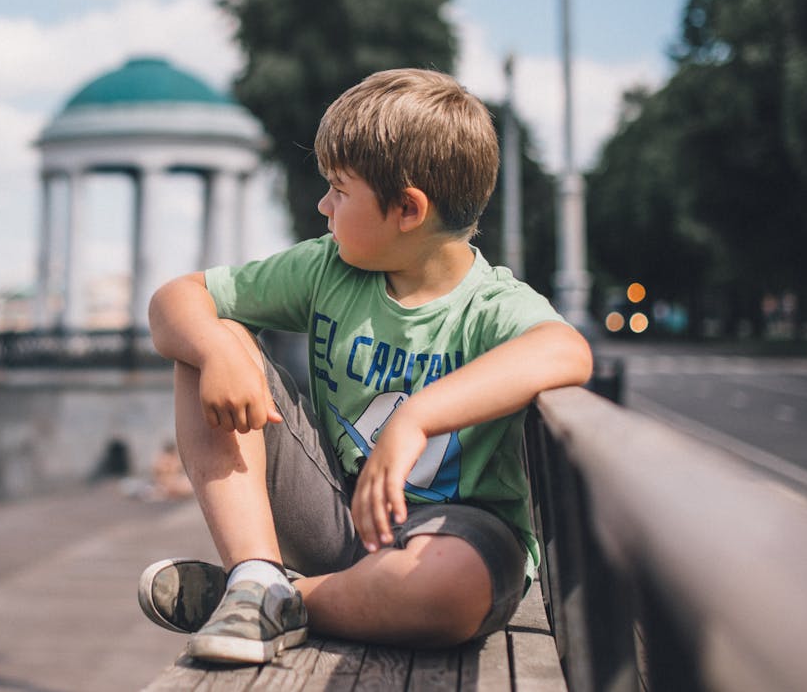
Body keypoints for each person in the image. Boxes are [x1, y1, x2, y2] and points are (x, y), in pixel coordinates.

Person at [136, 69, 593, 665]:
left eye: (339, 190)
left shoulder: (492, 305)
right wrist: (220, 352)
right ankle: (255, 572)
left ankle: (275, 598)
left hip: (457, 538)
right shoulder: (329, 268)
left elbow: (566, 352)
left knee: (449, 590)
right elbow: (176, 299)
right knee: (207, 337)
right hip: (340, 516)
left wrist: (418, 418)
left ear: (407, 209)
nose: (324, 205)